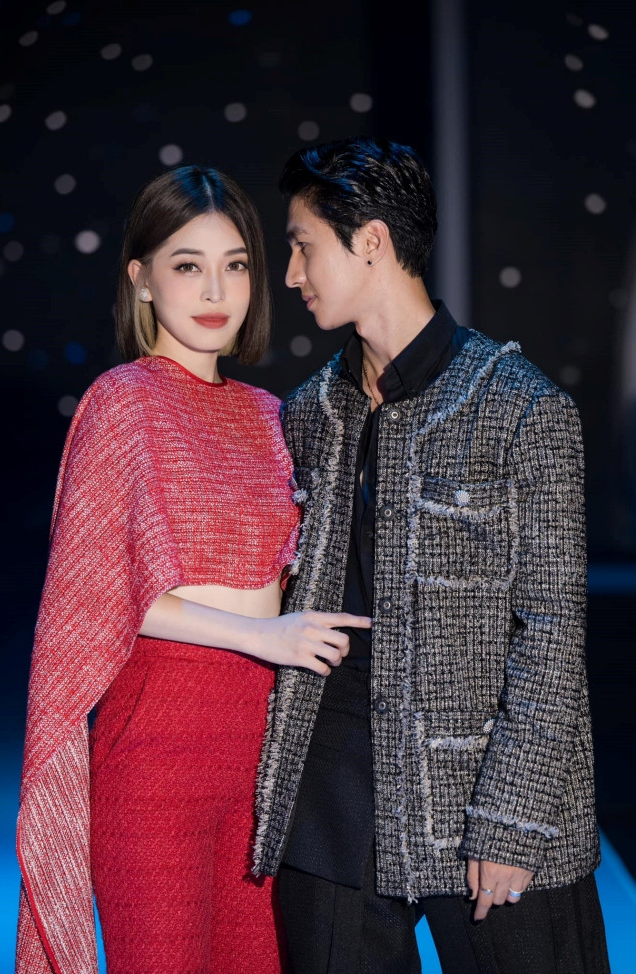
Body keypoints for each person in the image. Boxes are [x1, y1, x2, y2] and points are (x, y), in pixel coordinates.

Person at [252, 138, 611, 973]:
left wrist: (512, 820)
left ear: (370, 242)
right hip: (336, 792)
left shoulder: (521, 408)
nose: (292, 275)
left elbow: (553, 632)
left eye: (303, 246)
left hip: (487, 794)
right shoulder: (310, 413)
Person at [15, 165, 370, 974]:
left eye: (235, 265)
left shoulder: (272, 415)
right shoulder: (122, 401)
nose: (216, 290)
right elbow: (97, 595)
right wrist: (266, 635)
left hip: (265, 757)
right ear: (141, 279)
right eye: (187, 265)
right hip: (156, 755)